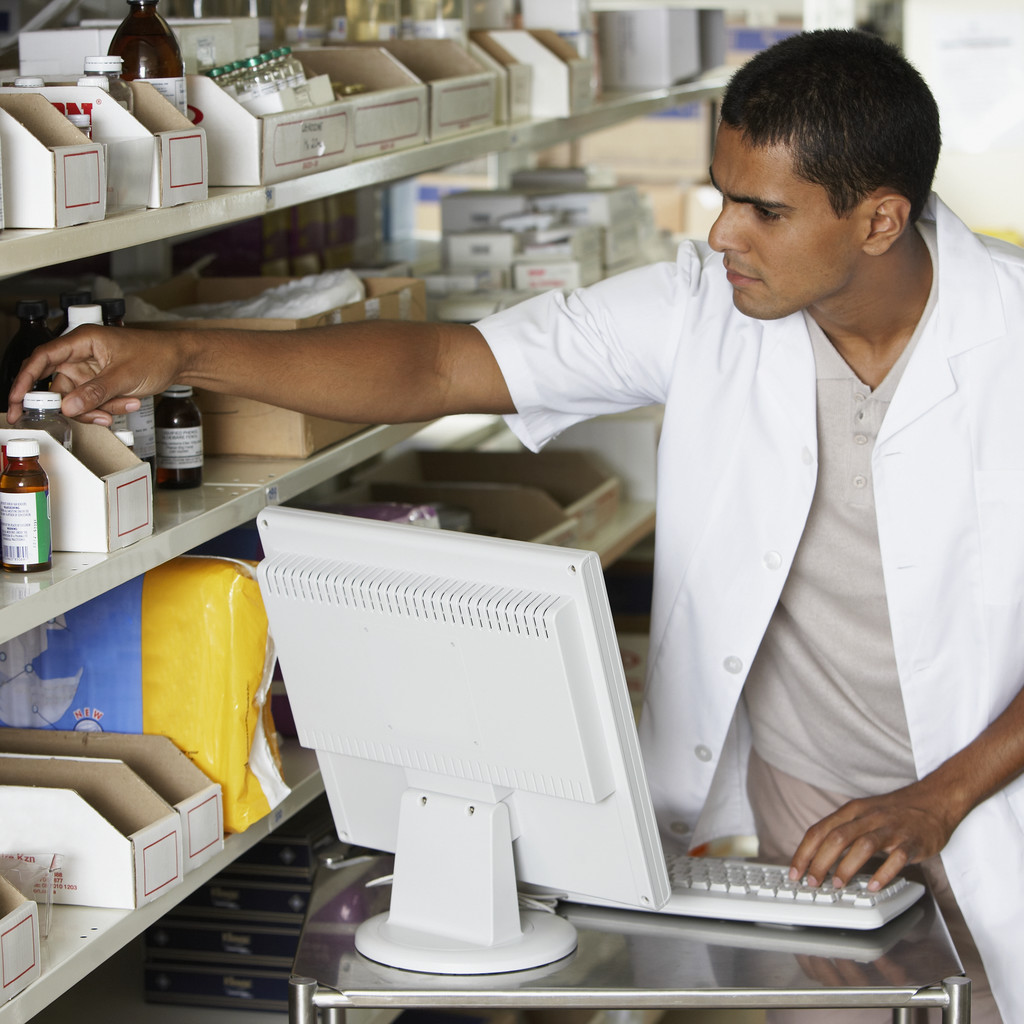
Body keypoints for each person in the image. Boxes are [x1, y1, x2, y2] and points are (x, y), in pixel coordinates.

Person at [7, 28, 1022, 1022]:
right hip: (812, 810)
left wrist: (940, 796)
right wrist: (177, 351)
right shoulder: (701, 311)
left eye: (762, 210)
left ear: (878, 221)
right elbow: (444, 366)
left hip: (996, 790)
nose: (722, 234)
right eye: (721, 197)